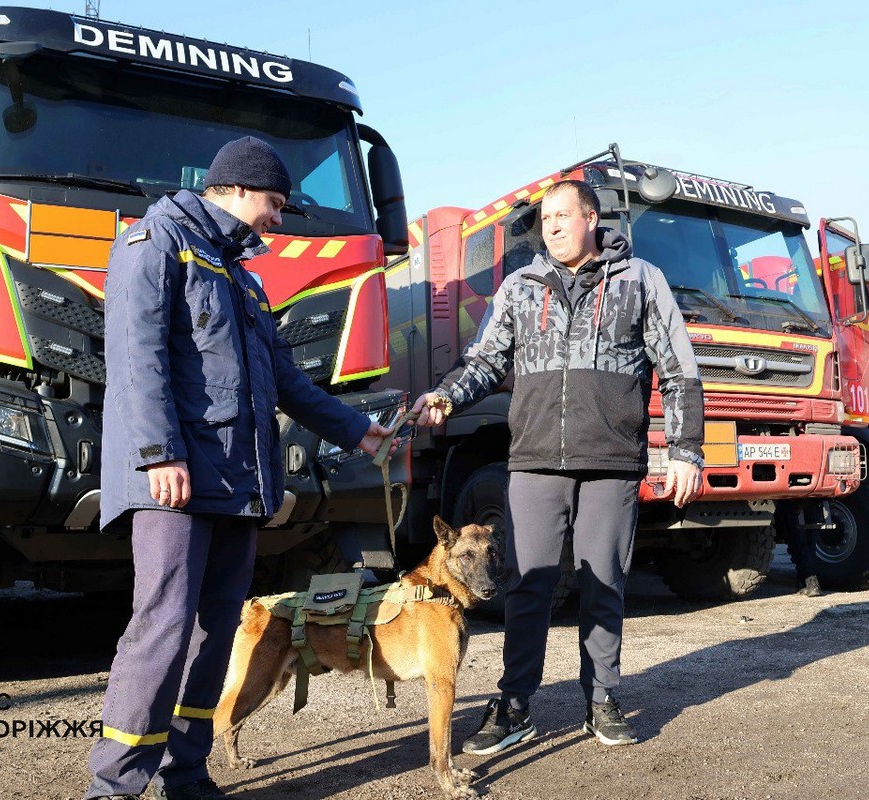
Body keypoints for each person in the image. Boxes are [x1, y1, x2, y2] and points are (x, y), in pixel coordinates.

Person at [87, 136, 393, 800]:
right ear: (238, 187)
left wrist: (359, 431)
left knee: (214, 630)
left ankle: (187, 775)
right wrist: (158, 452)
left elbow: (288, 383)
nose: (278, 221)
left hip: (234, 483)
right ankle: (112, 787)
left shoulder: (243, 281)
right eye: (275, 204)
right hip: (175, 475)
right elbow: (137, 356)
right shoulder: (156, 242)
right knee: (163, 627)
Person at [411, 179, 704, 752]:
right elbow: (486, 359)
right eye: (545, 219)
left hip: (611, 460)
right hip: (536, 459)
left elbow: (678, 367)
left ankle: (602, 701)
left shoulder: (641, 280)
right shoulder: (521, 286)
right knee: (527, 585)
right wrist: (447, 395)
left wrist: (686, 449)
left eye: (562, 216)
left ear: (592, 218)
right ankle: (516, 706)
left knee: (604, 584)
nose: (551, 227)